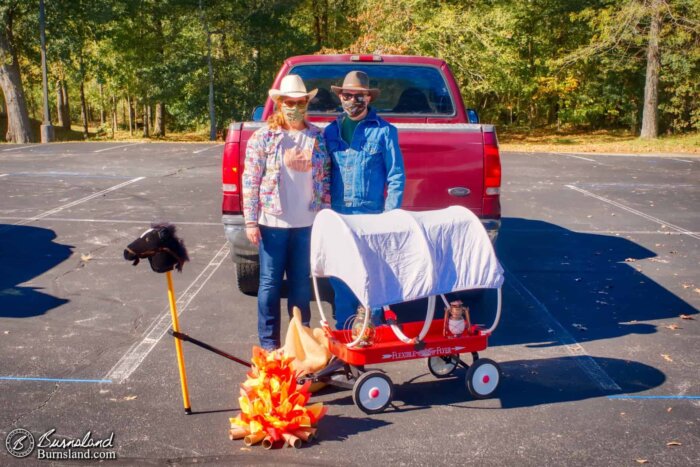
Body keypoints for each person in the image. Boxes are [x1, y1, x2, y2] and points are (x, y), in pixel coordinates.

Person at [242, 74, 331, 350]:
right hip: (273, 222)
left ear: (307, 103)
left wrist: (325, 217)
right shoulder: (264, 138)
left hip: (307, 223)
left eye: (300, 101)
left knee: (301, 286)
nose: (294, 106)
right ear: (279, 103)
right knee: (269, 285)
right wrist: (250, 221)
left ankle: (300, 342)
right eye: (288, 102)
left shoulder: (317, 137)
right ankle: (269, 345)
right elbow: (250, 179)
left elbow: (325, 178)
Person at [323, 70, 406, 329]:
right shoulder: (329, 132)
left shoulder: (385, 132)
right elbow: (322, 174)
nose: (352, 100)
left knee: (373, 276)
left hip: (372, 216)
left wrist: (390, 217)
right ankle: (345, 332)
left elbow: (396, 176)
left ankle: (372, 330)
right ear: (340, 97)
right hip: (338, 215)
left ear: (368, 98)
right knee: (341, 276)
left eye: (358, 96)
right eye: (347, 95)